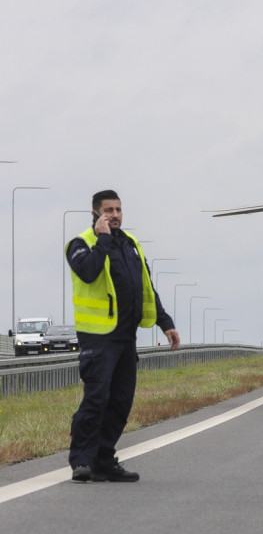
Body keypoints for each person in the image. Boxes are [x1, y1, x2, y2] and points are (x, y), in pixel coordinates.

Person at [65, 190, 180, 482]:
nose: (115, 215)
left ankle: (104, 460)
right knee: (96, 399)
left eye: (118, 210)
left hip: (125, 338)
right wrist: (102, 238)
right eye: (108, 211)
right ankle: (81, 461)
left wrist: (165, 322)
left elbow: (146, 288)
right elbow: (89, 274)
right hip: (98, 338)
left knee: (120, 402)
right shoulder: (81, 244)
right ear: (95, 214)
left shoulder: (131, 245)